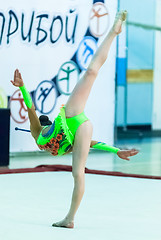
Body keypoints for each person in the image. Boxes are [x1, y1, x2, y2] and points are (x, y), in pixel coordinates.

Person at [11, 11, 138, 229]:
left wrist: (115, 150)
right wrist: (115, 149)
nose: (43, 121)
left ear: (49, 122)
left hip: (72, 116)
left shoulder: (47, 134)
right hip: (81, 127)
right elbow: (31, 109)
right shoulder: (37, 133)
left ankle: (113, 32)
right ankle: (69, 219)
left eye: (45, 121)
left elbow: (31, 106)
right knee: (77, 173)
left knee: (90, 72)